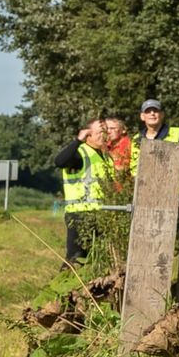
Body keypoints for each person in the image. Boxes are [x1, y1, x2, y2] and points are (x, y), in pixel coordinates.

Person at [54, 114, 123, 266]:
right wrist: (78, 140)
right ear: (88, 134)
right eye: (100, 132)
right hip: (80, 216)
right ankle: (65, 281)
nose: (104, 135)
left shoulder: (105, 156)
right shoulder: (80, 153)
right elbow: (59, 161)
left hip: (101, 215)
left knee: (98, 260)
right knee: (76, 259)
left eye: (105, 131)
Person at [128, 99, 179, 186]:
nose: (152, 113)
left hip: (174, 189)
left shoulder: (177, 134)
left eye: (156, 110)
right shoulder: (137, 139)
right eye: (148, 111)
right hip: (145, 189)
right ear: (142, 116)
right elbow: (134, 168)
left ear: (162, 115)